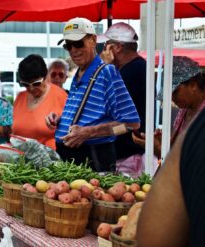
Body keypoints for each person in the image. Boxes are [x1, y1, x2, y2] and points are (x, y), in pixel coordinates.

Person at [46, 17, 140, 171]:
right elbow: (90, 115)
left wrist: (88, 133)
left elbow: (129, 125)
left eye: (78, 43)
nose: (73, 50)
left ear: (93, 40)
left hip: (93, 158)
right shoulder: (78, 73)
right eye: (68, 46)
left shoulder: (107, 73)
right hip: (70, 157)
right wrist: (61, 119)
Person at [137, 108, 205, 246]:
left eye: (177, 91)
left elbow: (154, 238)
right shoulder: (184, 115)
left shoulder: (197, 130)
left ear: (193, 86)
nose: (173, 97)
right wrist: (159, 147)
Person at [132, 56, 205, 159]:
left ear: (193, 85)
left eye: (175, 92)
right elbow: (174, 151)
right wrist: (162, 143)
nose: (171, 98)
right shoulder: (184, 111)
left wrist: (157, 148)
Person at [98, 22, 147, 175]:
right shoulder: (139, 67)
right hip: (133, 150)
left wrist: (104, 66)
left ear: (117, 47)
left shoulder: (129, 72)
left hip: (128, 154)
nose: (103, 49)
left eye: (107, 44)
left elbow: (101, 101)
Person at [13, 54, 68, 150]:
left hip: (50, 161)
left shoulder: (61, 96)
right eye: (26, 84)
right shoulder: (20, 98)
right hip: (20, 160)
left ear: (46, 76)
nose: (31, 88)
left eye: (36, 83)